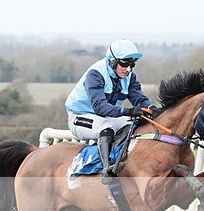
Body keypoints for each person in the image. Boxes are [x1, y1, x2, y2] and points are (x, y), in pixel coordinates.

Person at [65, 39, 157, 183]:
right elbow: (100, 106)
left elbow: (139, 98)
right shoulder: (95, 74)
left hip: (105, 116)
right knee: (106, 127)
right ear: (112, 61)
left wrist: (152, 109)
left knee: (134, 124)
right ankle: (107, 169)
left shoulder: (130, 77)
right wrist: (128, 111)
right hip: (79, 117)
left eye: (132, 64)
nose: (128, 69)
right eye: (124, 64)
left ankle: (124, 160)